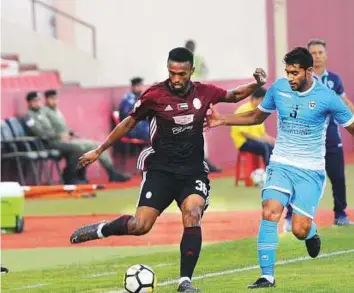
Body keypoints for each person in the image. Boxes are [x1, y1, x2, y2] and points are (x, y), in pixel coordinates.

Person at [69, 47, 267, 292]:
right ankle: (102, 229)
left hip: (193, 171)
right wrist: (98, 151)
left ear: (191, 71)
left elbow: (234, 95)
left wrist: (256, 83)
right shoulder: (154, 95)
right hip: (160, 170)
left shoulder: (204, 92)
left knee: (192, 213)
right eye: (172, 73)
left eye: (181, 74)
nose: (176, 79)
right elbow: (129, 122)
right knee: (139, 226)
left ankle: (185, 281)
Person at [205, 47, 354, 289]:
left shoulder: (328, 97)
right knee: (270, 211)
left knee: (299, 228)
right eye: (287, 72)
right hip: (281, 163)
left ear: (308, 71)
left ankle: (311, 231)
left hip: (310, 170)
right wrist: (222, 120)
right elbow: (256, 116)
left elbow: (351, 126)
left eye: (295, 73)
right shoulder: (279, 89)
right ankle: (267, 276)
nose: (290, 77)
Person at [284, 39, 354, 229]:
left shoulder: (334, 80)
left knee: (338, 177)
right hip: (306, 139)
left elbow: (344, 102)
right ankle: (290, 216)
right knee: (298, 176)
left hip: (331, 138)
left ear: (326, 55)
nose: (317, 57)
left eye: (320, 53)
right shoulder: (299, 79)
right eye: (313, 53)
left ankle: (340, 214)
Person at [43, 89, 130, 183]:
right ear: (46, 99)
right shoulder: (44, 112)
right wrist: (59, 136)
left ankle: (112, 172)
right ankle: (72, 176)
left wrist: (71, 134)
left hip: (67, 139)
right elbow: (45, 131)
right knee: (80, 147)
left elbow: (63, 128)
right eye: (52, 99)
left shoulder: (56, 111)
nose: (54, 101)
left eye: (56, 98)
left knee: (98, 146)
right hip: (56, 141)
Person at [24, 91, 84, 184]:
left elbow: (52, 129)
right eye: (34, 101)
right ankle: (69, 177)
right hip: (45, 144)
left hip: (54, 141)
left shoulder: (42, 113)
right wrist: (59, 136)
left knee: (81, 148)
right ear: (28, 102)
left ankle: (77, 177)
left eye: (39, 100)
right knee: (76, 149)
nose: (38, 103)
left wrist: (65, 135)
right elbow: (40, 133)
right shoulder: (29, 117)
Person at [185, 39, 221, 172]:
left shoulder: (197, 59)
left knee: (201, 130)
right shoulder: (182, 61)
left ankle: (203, 160)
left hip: (197, 96)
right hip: (189, 99)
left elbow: (205, 72)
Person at [231, 87, 275, 166]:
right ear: (254, 99)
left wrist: (272, 140)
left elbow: (262, 134)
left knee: (273, 146)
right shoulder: (243, 110)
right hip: (244, 142)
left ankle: (275, 171)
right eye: (262, 100)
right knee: (264, 146)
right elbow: (245, 134)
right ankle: (269, 173)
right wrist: (261, 140)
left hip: (257, 141)